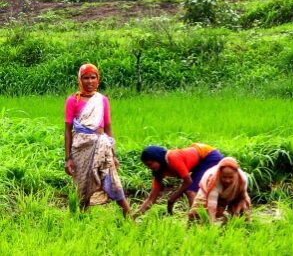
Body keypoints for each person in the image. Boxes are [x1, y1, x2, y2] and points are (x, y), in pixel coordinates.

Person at [64, 63, 130, 217]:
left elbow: (108, 127)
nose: (89, 81)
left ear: (98, 80)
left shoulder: (102, 100)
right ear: (80, 80)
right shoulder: (73, 100)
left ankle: (129, 218)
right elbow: (67, 130)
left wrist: (113, 154)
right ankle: (81, 220)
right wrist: (68, 158)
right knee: (82, 187)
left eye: (93, 77)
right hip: (81, 148)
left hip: (102, 146)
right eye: (85, 78)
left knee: (114, 182)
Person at [137, 143, 223, 215]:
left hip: (209, 156)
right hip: (199, 161)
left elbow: (188, 181)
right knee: (191, 190)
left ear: (158, 159)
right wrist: (134, 216)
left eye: (150, 164)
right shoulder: (159, 171)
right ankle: (196, 217)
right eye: (147, 166)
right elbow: (151, 199)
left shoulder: (173, 158)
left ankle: (196, 220)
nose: (149, 168)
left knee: (190, 191)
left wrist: (173, 198)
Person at [188, 157, 251, 222]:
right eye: (224, 177)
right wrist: (212, 221)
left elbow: (242, 197)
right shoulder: (213, 179)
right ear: (220, 174)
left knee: (243, 210)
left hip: (233, 194)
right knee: (197, 212)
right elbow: (212, 204)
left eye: (230, 177)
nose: (227, 180)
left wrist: (237, 212)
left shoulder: (242, 180)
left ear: (236, 174)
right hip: (207, 191)